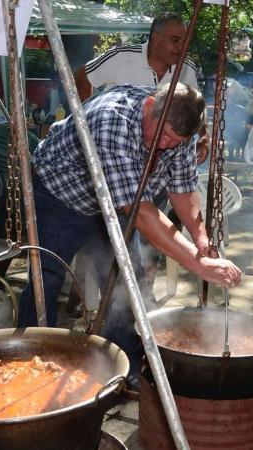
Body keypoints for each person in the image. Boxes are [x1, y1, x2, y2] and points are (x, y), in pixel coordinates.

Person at [19, 83, 242, 383]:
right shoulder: (111, 120)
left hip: (110, 204)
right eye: (161, 134)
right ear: (150, 105)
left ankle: (123, 366)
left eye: (174, 141)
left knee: (128, 282)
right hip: (58, 196)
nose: (164, 145)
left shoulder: (180, 131)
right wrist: (198, 264)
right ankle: (26, 362)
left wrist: (201, 239)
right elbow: (139, 213)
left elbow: (183, 189)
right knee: (45, 278)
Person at [71, 13, 207, 312]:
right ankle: (89, 293)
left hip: (158, 169)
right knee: (108, 231)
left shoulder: (187, 70)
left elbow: (196, 113)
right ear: (155, 37)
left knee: (147, 236)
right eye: (175, 40)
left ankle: (140, 294)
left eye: (185, 41)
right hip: (117, 162)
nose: (180, 47)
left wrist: (203, 138)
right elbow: (81, 79)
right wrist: (81, 123)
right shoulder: (123, 56)